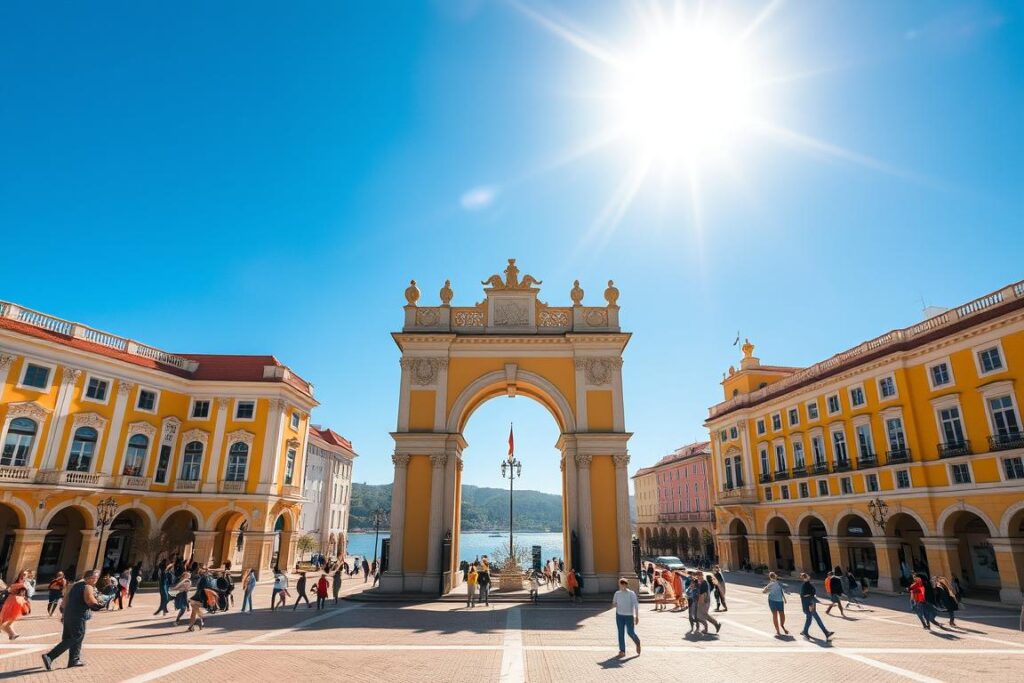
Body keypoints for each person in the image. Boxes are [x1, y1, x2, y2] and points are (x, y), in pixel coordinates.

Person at [42, 569, 103, 670]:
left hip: (68, 615)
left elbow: (65, 600)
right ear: (88, 578)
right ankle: (50, 656)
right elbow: (90, 601)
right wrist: (99, 605)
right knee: (76, 636)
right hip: (78, 615)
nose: (95, 580)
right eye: (94, 578)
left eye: (96, 578)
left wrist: (63, 613)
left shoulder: (74, 585)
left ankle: (74, 660)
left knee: (70, 637)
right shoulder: (88, 586)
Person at [798, 572, 834, 640]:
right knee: (814, 618)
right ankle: (825, 632)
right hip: (809, 605)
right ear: (805, 578)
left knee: (811, 619)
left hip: (810, 604)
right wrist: (811, 603)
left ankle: (806, 631)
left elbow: (811, 594)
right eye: (806, 576)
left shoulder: (808, 584)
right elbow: (804, 596)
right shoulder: (805, 585)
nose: (808, 576)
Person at [612, 578, 641, 658]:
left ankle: (637, 642)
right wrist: (615, 604)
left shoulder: (631, 593)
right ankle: (622, 651)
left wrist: (637, 616)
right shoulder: (617, 593)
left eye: (624, 584)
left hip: (629, 616)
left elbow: (636, 605)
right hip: (619, 615)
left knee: (630, 632)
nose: (622, 585)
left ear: (626, 584)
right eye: (621, 584)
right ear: (619, 584)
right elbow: (614, 603)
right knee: (620, 633)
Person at [762, 572, 789, 636]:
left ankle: (781, 627)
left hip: (779, 601)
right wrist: (767, 589)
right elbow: (764, 591)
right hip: (773, 601)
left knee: (781, 615)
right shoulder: (770, 584)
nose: (774, 577)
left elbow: (781, 591)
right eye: (773, 576)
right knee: (776, 615)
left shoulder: (778, 583)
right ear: (772, 577)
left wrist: (784, 598)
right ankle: (778, 630)